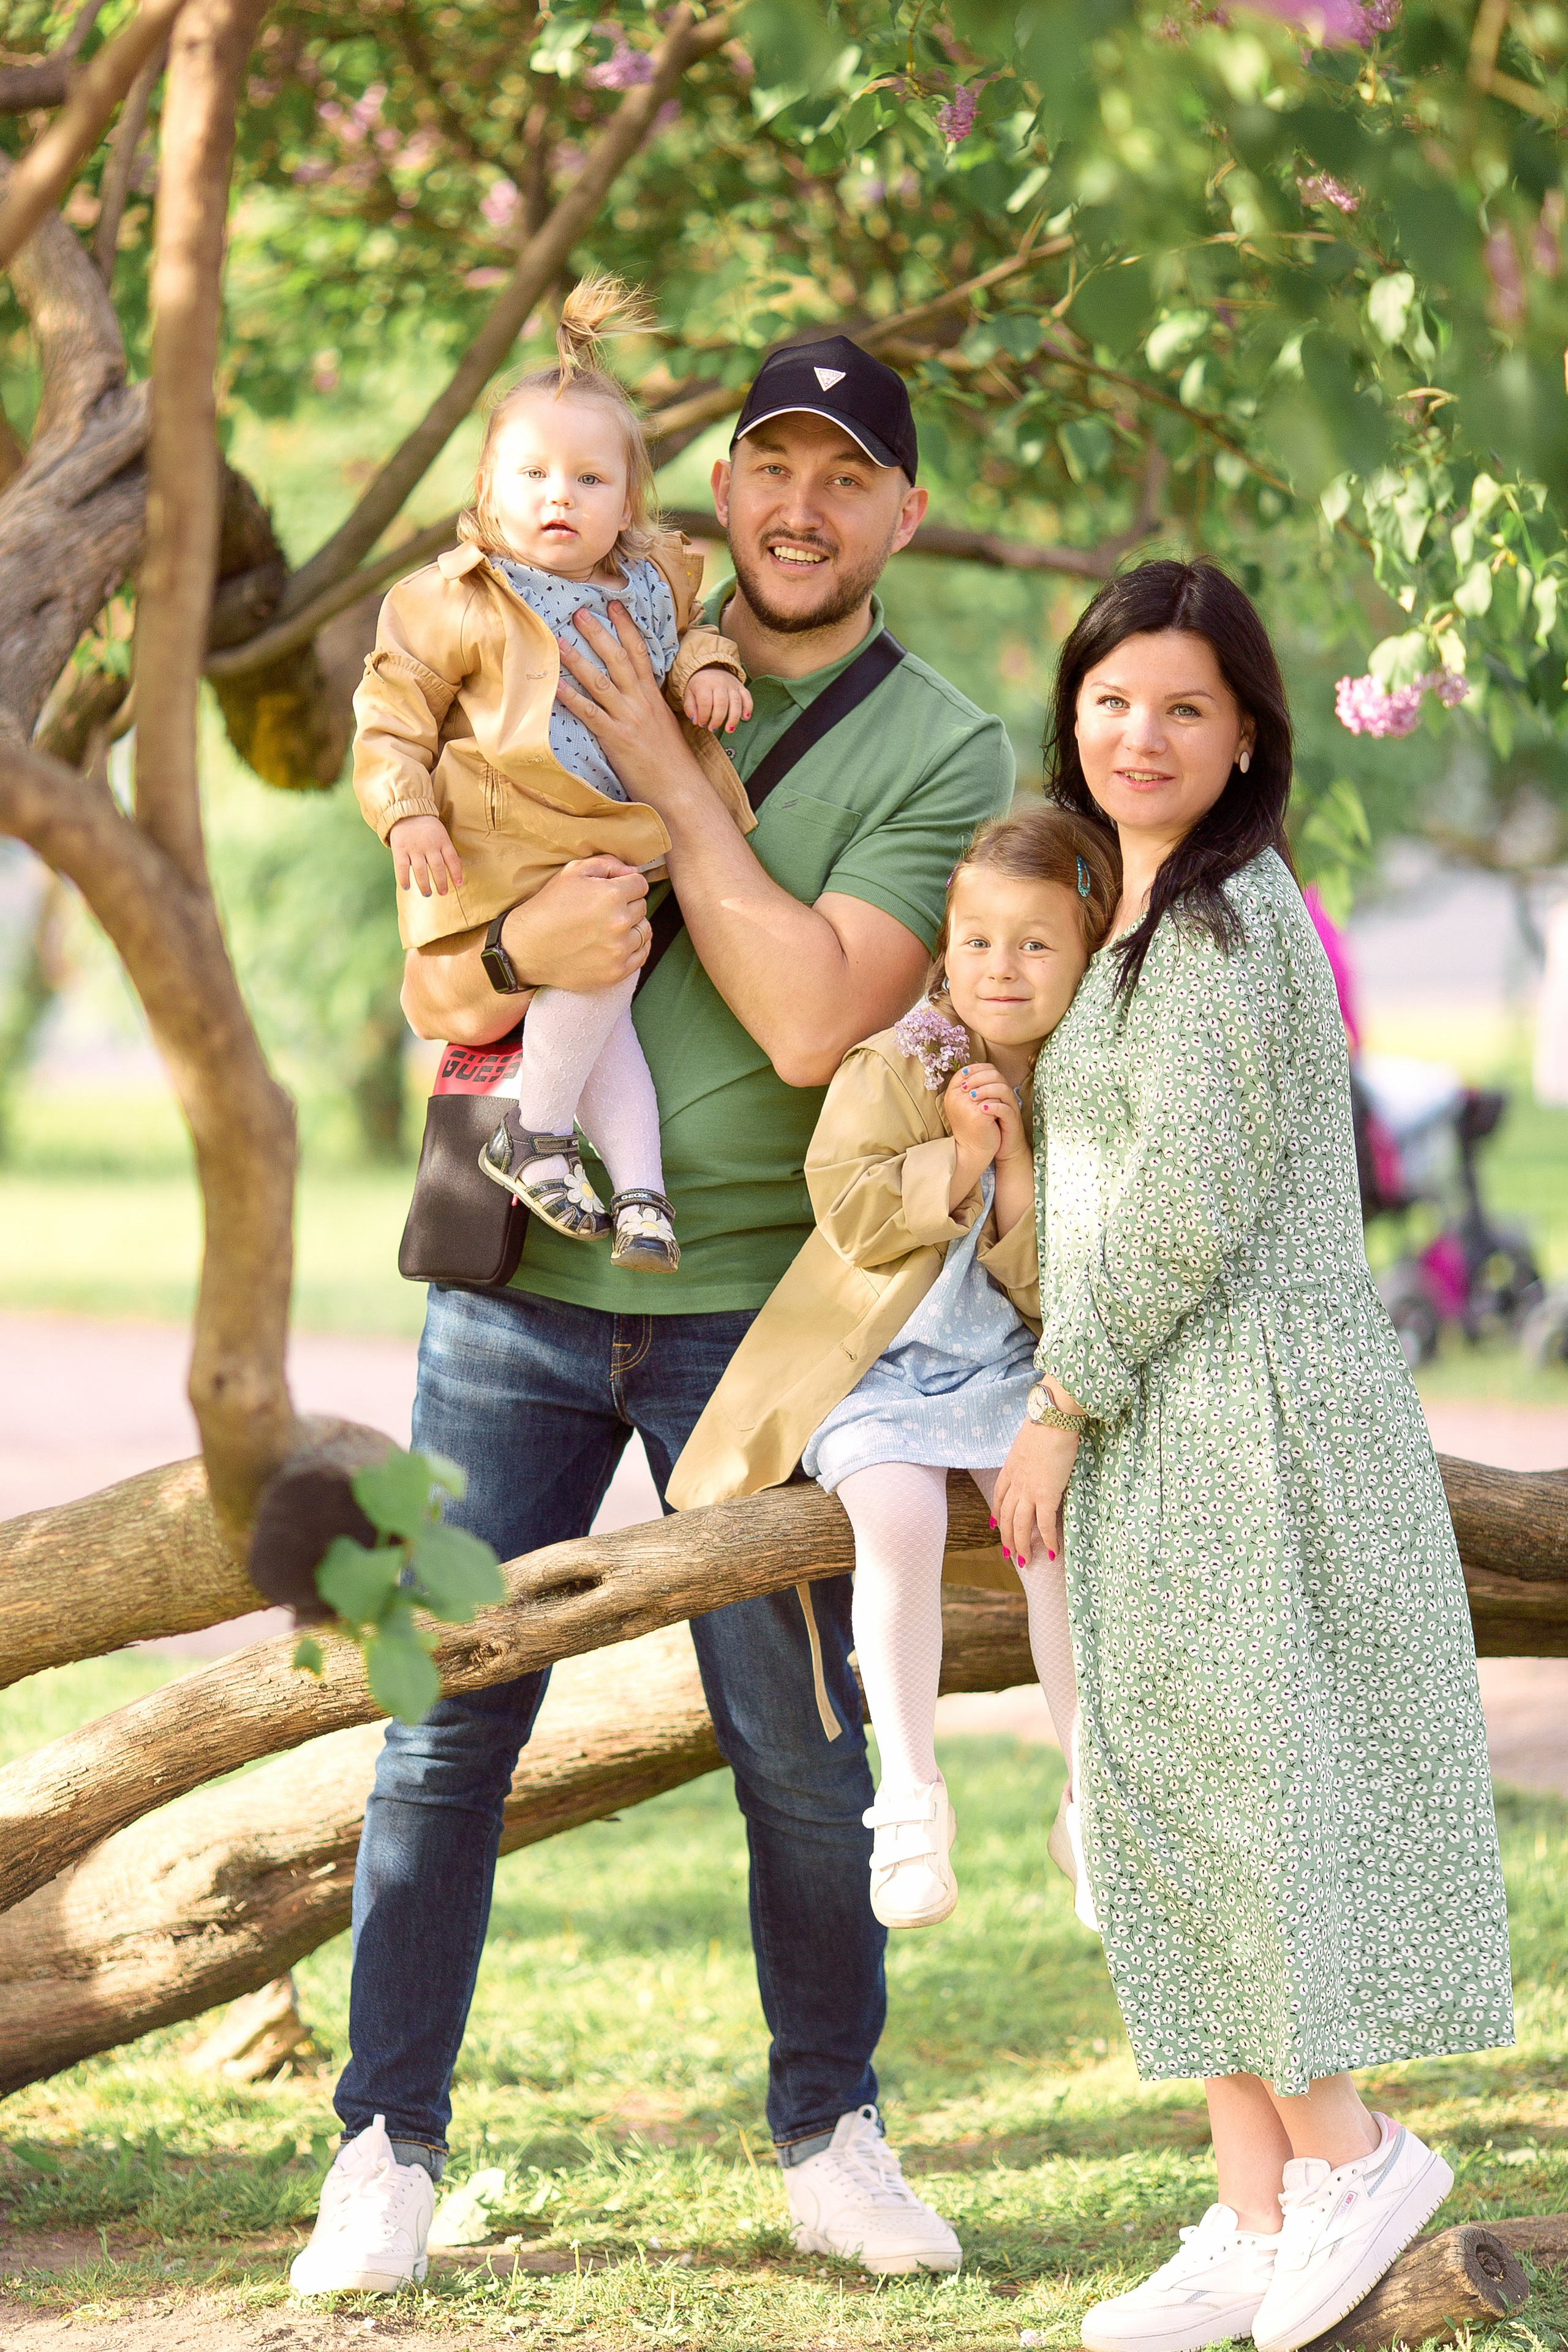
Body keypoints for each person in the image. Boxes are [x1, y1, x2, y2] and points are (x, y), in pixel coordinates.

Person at [288, 335, 1016, 2298]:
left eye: (847, 477)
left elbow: (807, 1012)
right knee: (442, 1725)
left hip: (755, 1317)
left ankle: (831, 2130)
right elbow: (444, 989)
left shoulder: (943, 750)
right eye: (770, 466)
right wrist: (517, 941)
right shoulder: (554, 615)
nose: (800, 505)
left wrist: (678, 776)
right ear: (719, 490)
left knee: (800, 1744)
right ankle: (385, 2145)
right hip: (515, 1288)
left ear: (903, 515)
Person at [990, 560, 1514, 2352]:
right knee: (1165, 1813)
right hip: (1167, 1410)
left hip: (1242, 1412)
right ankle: (1251, 2207)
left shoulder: (1224, 924)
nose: (1142, 734)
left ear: (1245, 741)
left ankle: (1352, 2158)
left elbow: (1198, 1203)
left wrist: (1058, 1402)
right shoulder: (1126, 914)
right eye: (1116, 697)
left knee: (1247, 1805)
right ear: (1075, 708)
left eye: (1186, 708)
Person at [669, 804, 1118, 1934]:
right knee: (900, 1520)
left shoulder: (1084, 1088)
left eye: (1034, 944)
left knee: (1049, 1539)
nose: (1000, 969)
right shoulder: (899, 1059)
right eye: (976, 941)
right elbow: (850, 1214)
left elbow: (1053, 1283)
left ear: (1087, 946)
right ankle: (911, 1794)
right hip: (875, 1369)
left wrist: (1014, 1178)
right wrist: (959, 1155)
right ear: (945, 945)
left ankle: (1093, 1800)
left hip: (1006, 1371)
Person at [352, 274, 757, 1274]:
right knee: (598, 963)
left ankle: (642, 1195)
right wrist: (407, 816)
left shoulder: (655, 580)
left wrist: (709, 671)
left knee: (601, 985)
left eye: (588, 479)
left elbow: (692, 641)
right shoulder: (459, 599)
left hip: (605, 840)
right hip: (502, 846)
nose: (558, 498)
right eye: (530, 475)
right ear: (488, 490)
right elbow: (391, 712)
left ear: (629, 502)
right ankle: (534, 1135)